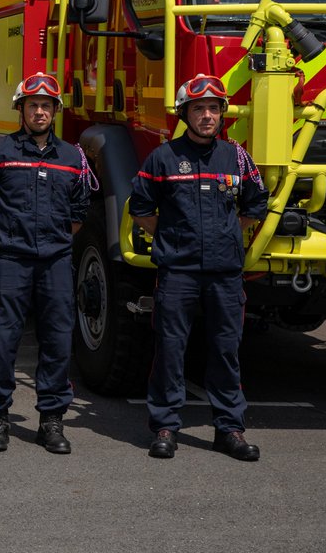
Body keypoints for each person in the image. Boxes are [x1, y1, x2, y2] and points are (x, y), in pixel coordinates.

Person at [129, 73, 268, 461]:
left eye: (212, 108)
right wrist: (173, 236)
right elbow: (140, 208)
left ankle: (230, 430)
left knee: (226, 351)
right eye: (198, 109)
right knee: (170, 349)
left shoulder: (237, 156)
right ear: (184, 114)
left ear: (222, 114)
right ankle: (165, 428)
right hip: (178, 273)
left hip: (225, 274)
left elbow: (257, 203)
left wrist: (229, 233)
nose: (207, 115)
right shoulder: (163, 157)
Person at [0, 72, 93, 454]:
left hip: (55, 263)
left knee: (56, 341)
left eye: (46, 105)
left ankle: (51, 422)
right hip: (10, 263)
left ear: (55, 111)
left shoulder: (73, 158)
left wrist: (50, 246)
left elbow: (78, 213)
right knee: (3, 341)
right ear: (20, 108)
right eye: (33, 105)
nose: (40, 111)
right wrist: (3, 251)